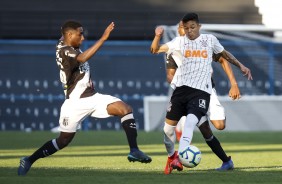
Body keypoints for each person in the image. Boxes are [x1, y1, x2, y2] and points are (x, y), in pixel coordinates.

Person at [18, 20, 151, 176]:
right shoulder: (64, 50)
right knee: (63, 141)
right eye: (80, 34)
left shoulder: (68, 43)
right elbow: (82, 59)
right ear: (69, 34)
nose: (83, 38)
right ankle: (29, 160)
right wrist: (103, 38)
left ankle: (134, 150)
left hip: (93, 97)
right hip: (75, 103)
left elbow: (66, 38)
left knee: (125, 109)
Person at [151, 13, 252, 175]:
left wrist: (239, 70)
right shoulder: (176, 44)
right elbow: (157, 53)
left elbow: (224, 57)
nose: (188, 31)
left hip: (204, 90)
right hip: (181, 91)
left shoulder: (208, 40)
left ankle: (183, 152)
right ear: (181, 29)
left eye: (192, 27)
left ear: (198, 26)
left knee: (205, 123)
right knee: (177, 129)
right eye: (185, 28)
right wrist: (157, 36)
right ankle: (175, 158)